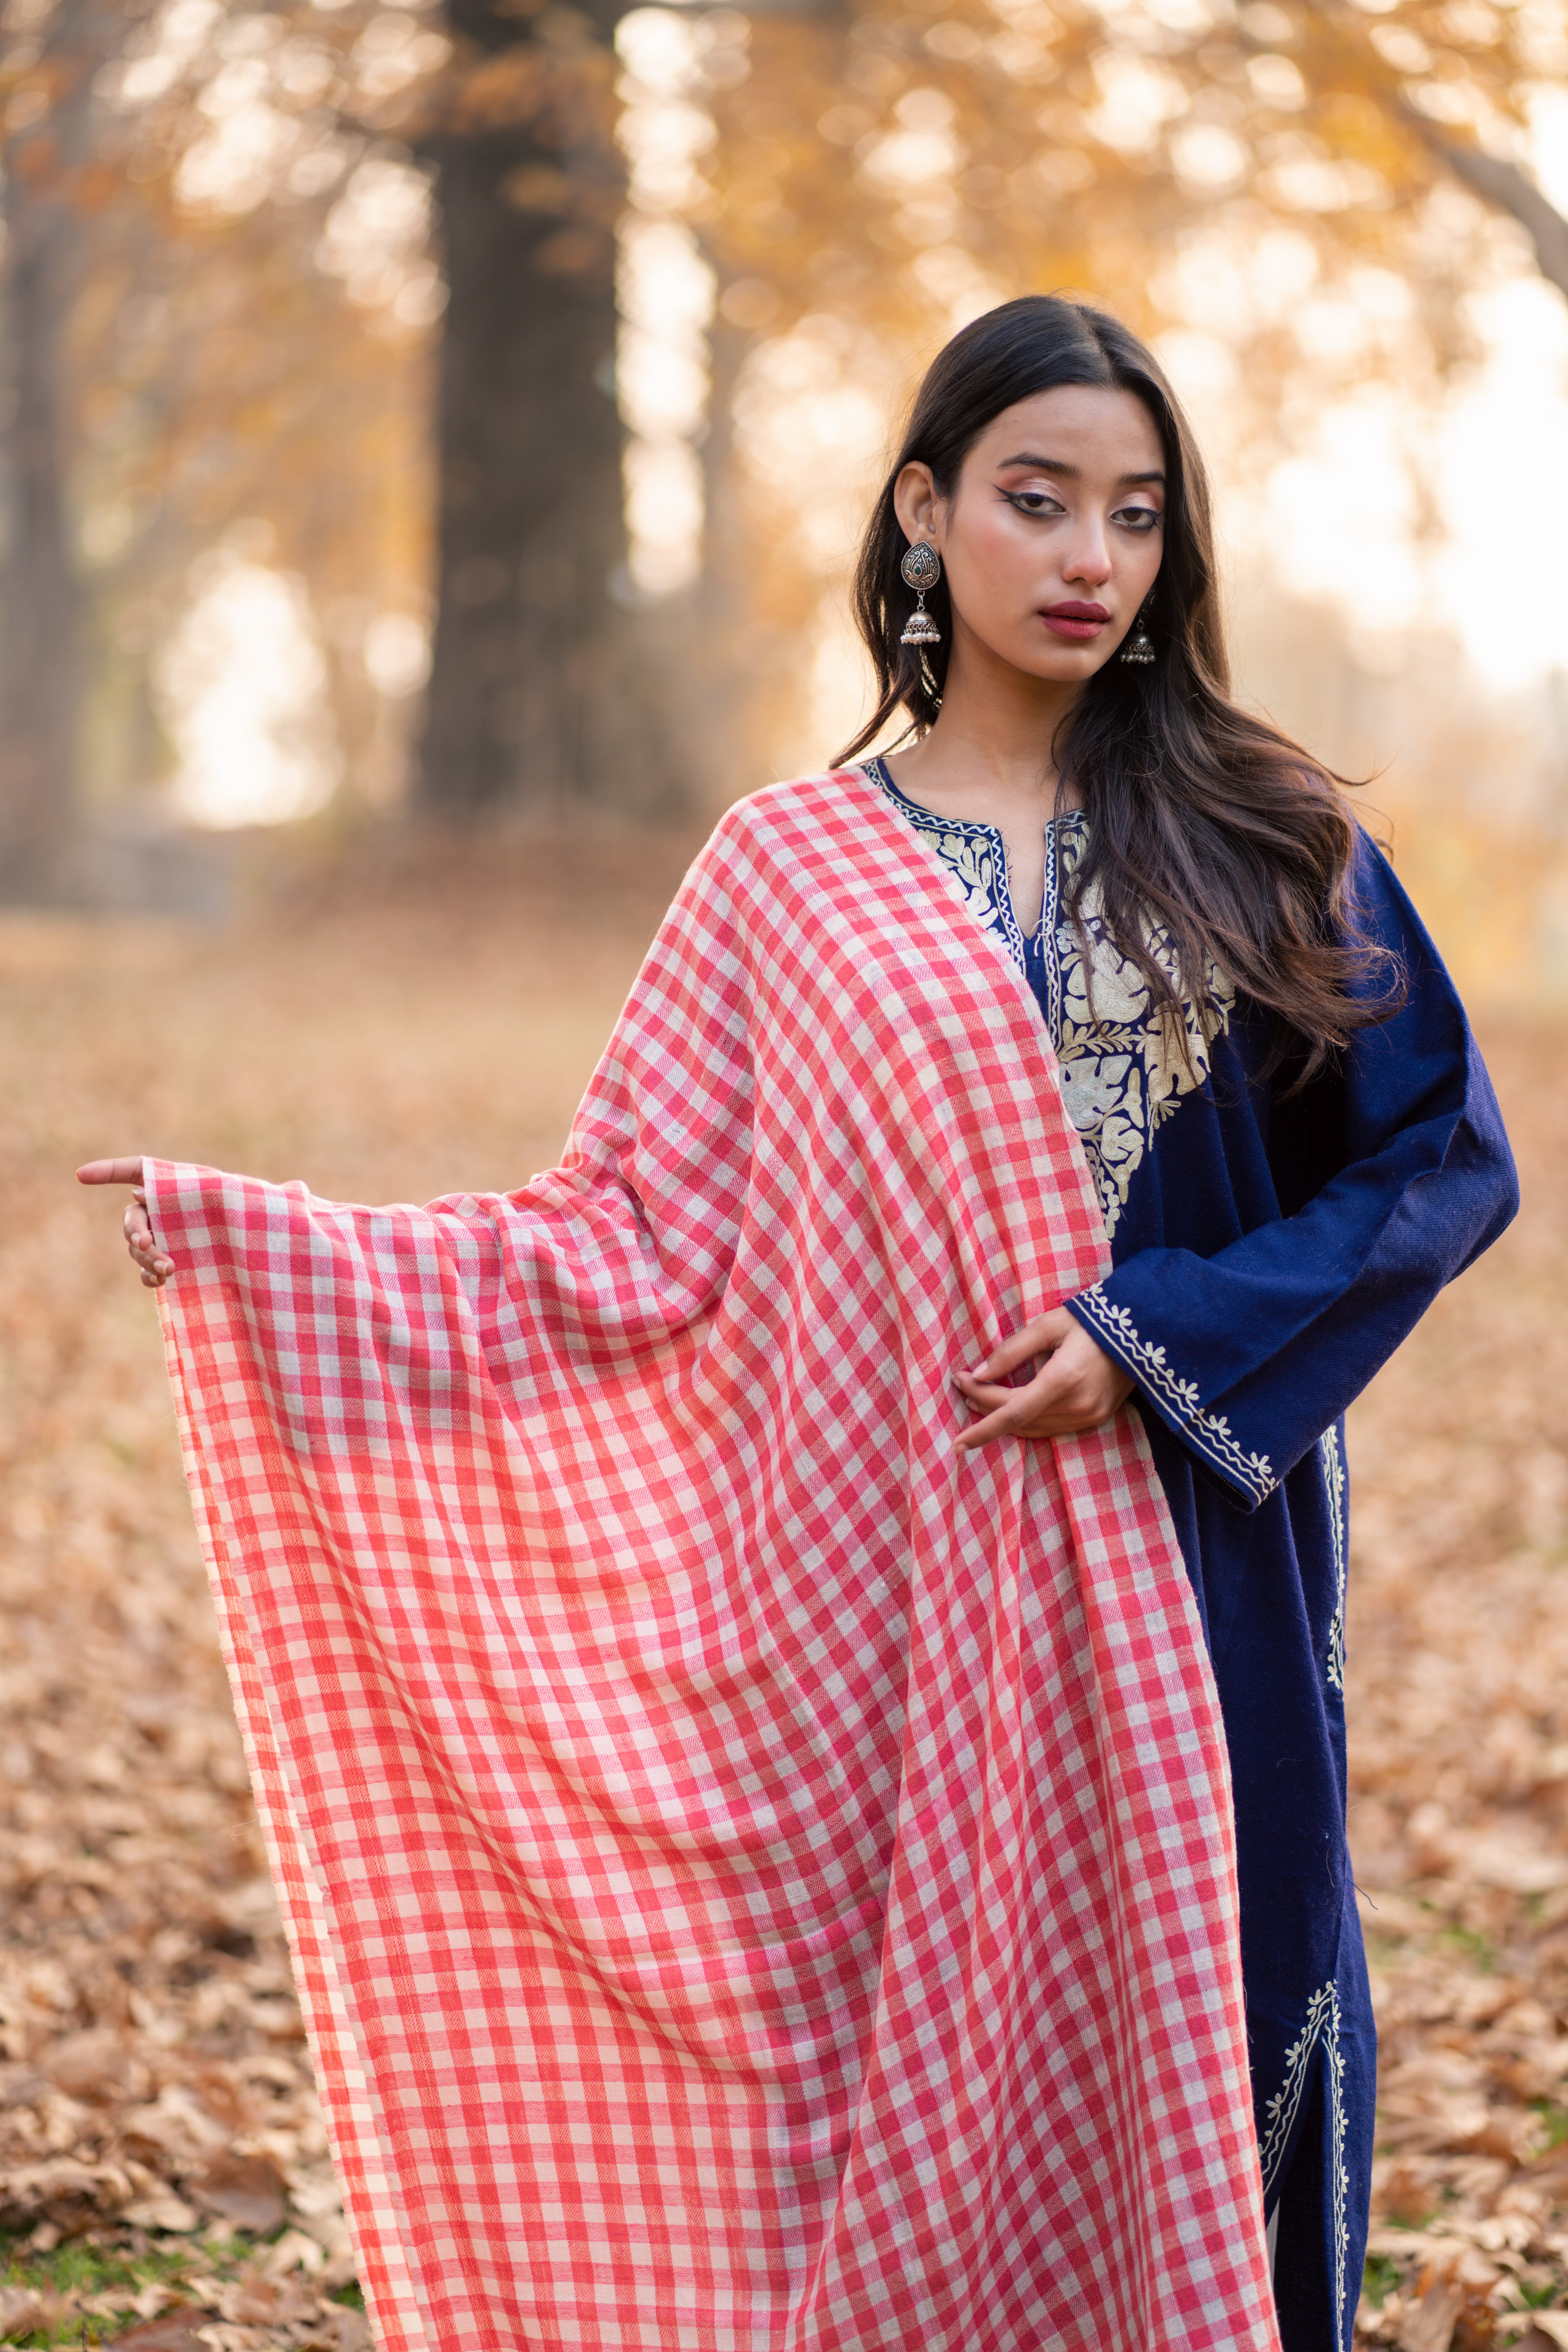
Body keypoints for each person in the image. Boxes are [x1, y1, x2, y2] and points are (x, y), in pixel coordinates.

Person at [80, 295, 1517, 2352]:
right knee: (877, 2082)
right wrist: (273, 1251)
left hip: (1198, 1567)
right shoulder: (787, 870)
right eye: (1035, 501)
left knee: (1217, 2033)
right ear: (926, 513)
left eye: (1135, 512)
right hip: (887, 1606)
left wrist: (1153, 1331)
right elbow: (620, 1229)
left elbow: (1442, 1162)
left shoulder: (1264, 841)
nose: (1090, 557)